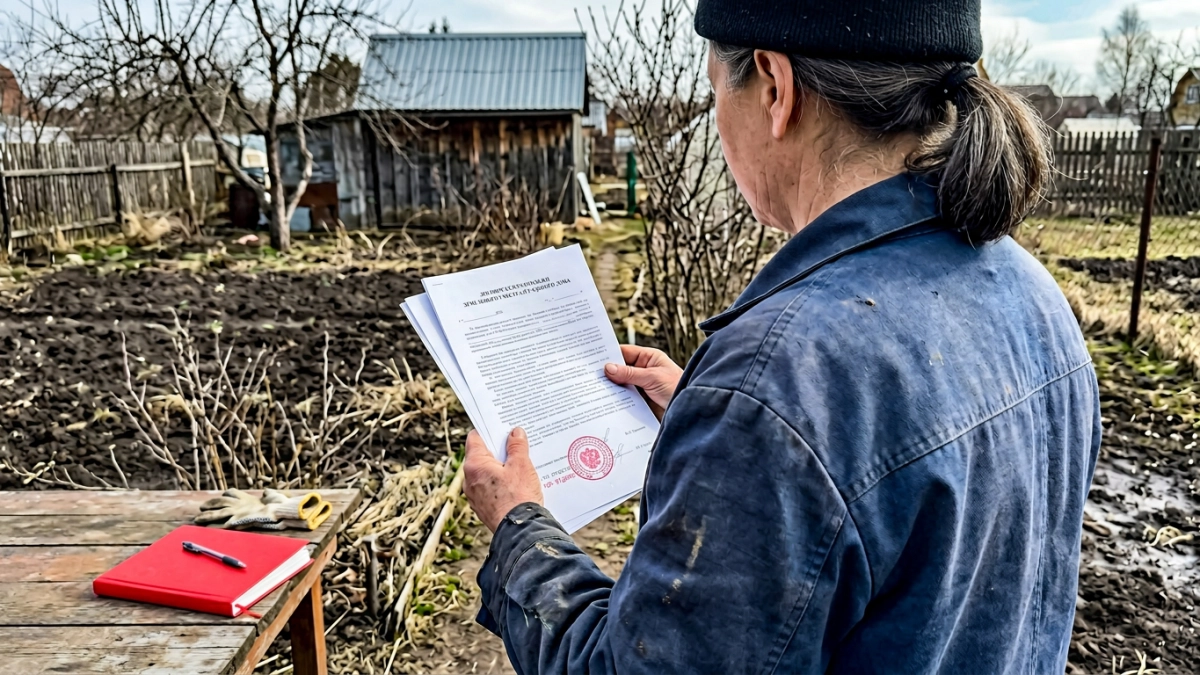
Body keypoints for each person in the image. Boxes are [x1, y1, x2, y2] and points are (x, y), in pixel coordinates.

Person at [460, 0, 1101, 672]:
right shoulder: (1035, 297)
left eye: (714, 90)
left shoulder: (779, 386)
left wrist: (520, 527)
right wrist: (711, 417)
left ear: (773, 87)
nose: (715, 117)